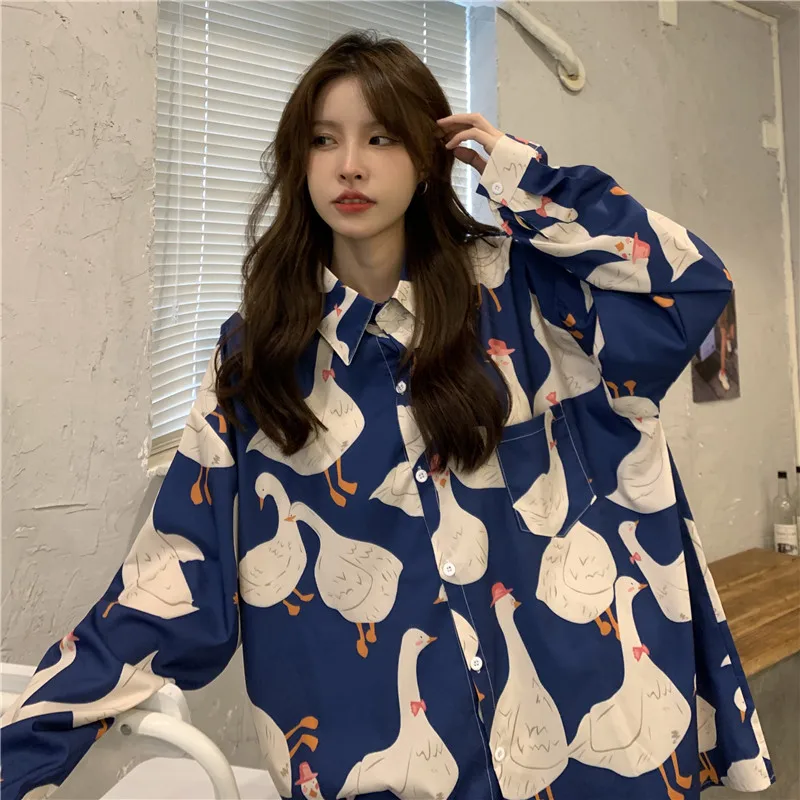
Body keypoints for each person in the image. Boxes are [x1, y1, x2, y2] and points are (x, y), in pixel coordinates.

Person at [2, 29, 774, 800]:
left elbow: (692, 291)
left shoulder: (528, 293)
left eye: (380, 138)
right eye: (323, 140)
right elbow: (173, 575)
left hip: (592, 750)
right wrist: (24, 751)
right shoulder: (259, 355)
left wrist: (524, 178)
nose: (350, 165)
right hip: (391, 773)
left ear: (428, 157)